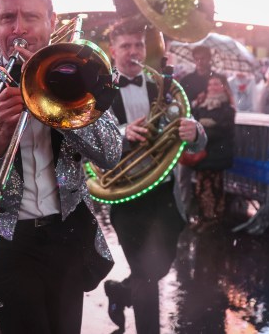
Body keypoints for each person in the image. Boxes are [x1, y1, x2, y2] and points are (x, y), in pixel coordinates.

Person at [0, 0, 122, 334]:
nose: (18, 29)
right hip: (3, 240)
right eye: (7, 18)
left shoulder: (79, 71)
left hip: (66, 235)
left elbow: (111, 153)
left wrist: (56, 99)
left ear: (51, 21)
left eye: (31, 17)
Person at [101, 19, 207, 333]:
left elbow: (195, 134)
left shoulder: (164, 87)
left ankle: (121, 291)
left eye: (138, 45)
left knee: (161, 263)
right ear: (113, 51)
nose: (133, 52)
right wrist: (121, 133)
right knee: (147, 273)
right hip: (126, 193)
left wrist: (195, 130)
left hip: (163, 192)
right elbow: (88, 139)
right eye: (125, 46)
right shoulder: (101, 92)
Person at [177, 46, 221, 226]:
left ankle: (208, 217)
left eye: (204, 58)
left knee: (209, 181)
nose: (201, 62)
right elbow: (182, 108)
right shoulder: (187, 80)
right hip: (188, 136)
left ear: (209, 58)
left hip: (212, 137)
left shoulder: (218, 79)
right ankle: (185, 214)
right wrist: (197, 102)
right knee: (183, 179)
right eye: (198, 58)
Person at [191, 73, 236, 230]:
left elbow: (224, 129)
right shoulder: (202, 106)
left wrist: (205, 129)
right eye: (210, 85)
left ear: (223, 86)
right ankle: (205, 217)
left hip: (217, 155)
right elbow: (193, 121)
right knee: (201, 187)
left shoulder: (227, 108)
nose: (213, 87)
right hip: (202, 154)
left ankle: (213, 219)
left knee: (213, 187)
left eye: (216, 84)